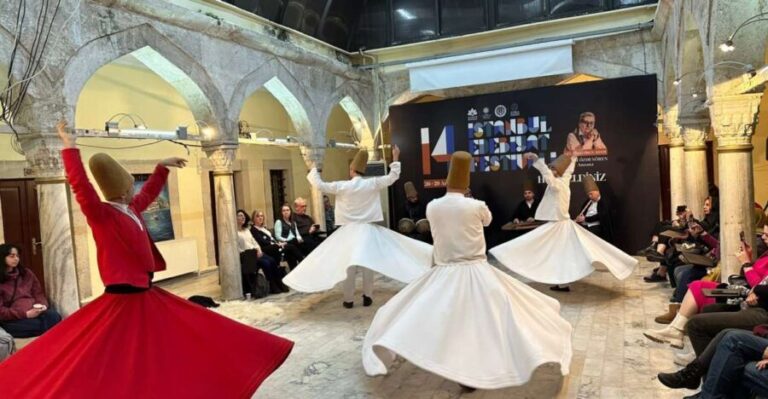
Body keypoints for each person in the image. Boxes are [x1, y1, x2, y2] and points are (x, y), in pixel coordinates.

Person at [0, 121, 294, 398]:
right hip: (123, 298)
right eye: (130, 186)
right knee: (122, 355)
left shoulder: (131, 209)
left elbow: (150, 193)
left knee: (180, 336)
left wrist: (161, 168)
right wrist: (69, 146)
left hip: (145, 291)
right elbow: (81, 186)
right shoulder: (102, 215)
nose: (134, 189)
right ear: (122, 190)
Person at [362, 151, 573, 391]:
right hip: (475, 270)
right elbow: (488, 220)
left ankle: (452, 360)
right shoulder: (476, 205)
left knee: (445, 318)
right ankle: (474, 365)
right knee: (481, 319)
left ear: (447, 180)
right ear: (466, 182)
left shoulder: (433, 206)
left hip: (444, 271)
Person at [283, 146, 432, 308]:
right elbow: (392, 177)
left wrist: (313, 168)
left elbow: (320, 185)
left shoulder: (343, 186)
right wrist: (395, 157)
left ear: (352, 170)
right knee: (368, 264)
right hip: (368, 230)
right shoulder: (372, 183)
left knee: (349, 266)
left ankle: (348, 300)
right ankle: (367, 296)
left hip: (349, 232)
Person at [489, 153, 637, 292]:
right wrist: (574, 158)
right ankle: (562, 282)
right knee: (560, 254)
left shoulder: (557, 185)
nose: (551, 170)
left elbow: (548, 175)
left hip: (559, 225)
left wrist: (537, 160)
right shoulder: (564, 181)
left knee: (539, 246)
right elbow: (569, 171)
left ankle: (560, 281)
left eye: (553, 168)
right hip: (562, 224)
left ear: (557, 171)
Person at [0, 244, 61, 338]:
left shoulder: (26, 273)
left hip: (35, 313)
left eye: (17, 256)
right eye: (12, 256)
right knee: (43, 324)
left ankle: (45, 333)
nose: (16, 259)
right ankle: (48, 334)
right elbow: (1, 312)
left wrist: (42, 306)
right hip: (13, 319)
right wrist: (26, 314)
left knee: (54, 316)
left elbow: (38, 293)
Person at [236, 210, 288, 295]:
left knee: (272, 261)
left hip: (255, 251)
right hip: (246, 255)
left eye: (243, 216)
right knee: (266, 263)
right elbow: (237, 248)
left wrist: (259, 250)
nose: (243, 217)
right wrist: (252, 252)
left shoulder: (246, 230)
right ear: (235, 218)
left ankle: (279, 283)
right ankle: (272, 285)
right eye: (240, 215)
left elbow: (254, 242)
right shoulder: (235, 233)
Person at [575, 175, 614, 243]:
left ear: (597, 191)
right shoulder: (588, 202)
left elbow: (601, 216)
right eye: (588, 195)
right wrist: (579, 218)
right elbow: (582, 213)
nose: (590, 196)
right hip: (585, 226)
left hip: (596, 227)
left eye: (591, 194)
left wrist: (586, 219)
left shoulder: (604, 201)